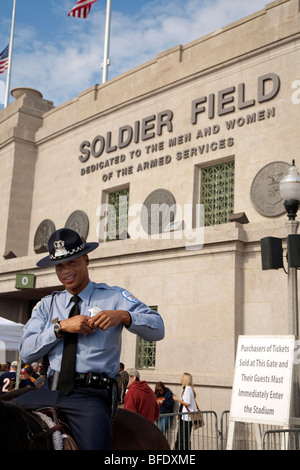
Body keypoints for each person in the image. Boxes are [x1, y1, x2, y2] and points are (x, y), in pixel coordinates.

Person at [13, 228, 164, 450]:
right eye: (60, 265)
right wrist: (60, 327)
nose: (66, 271)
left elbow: (158, 328)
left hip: (89, 397)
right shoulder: (47, 305)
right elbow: (26, 352)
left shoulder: (113, 297)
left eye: (72, 262)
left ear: (86, 259)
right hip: (48, 390)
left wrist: (124, 316)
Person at [173, 372, 196, 450]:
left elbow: (187, 403)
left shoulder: (188, 389)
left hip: (187, 418)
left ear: (185, 379)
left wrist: (177, 399)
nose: (181, 378)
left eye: (182, 377)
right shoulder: (186, 389)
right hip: (184, 417)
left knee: (184, 437)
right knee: (180, 436)